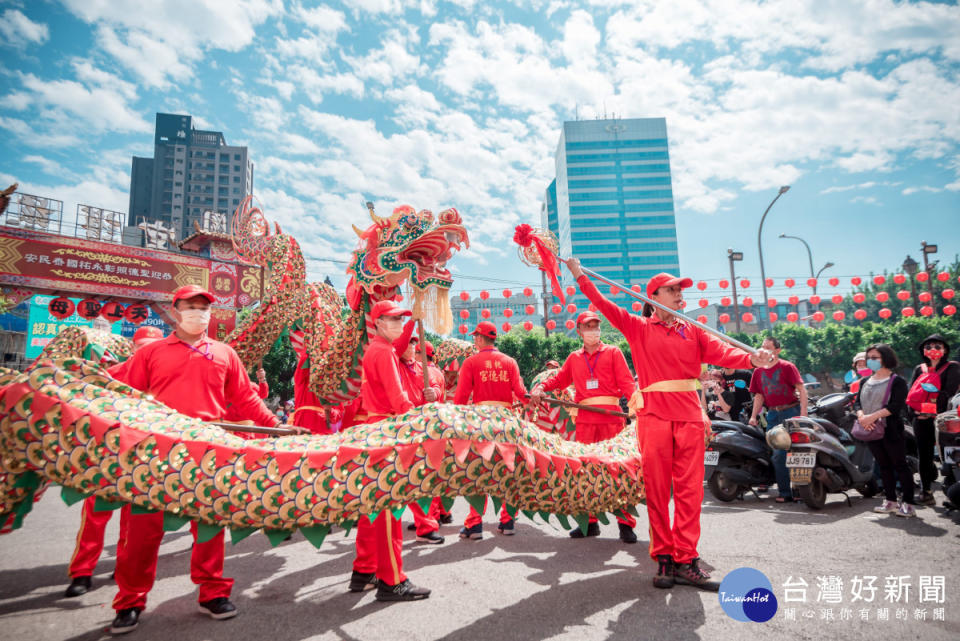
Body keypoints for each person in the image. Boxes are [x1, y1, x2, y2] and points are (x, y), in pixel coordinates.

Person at [566, 261, 774, 592]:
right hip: (654, 419)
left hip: (690, 416)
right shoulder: (637, 327)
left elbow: (722, 351)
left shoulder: (692, 330)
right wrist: (578, 273)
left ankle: (687, 559)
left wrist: (751, 359)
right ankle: (664, 558)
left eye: (680, 290)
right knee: (658, 491)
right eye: (672, 290)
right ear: (654, 296)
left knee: (690, 491)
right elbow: (603, 304)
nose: (680, 295)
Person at [107, 285, 280, 634]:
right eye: (191, 306)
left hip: (207, 451)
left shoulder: (224, 353)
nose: (198, 312)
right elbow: (122, 392)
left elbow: (246, 398)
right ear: (175, 311)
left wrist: (276, 425)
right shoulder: (151, 353)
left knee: (210, 527)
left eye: (204, 307)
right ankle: (130, 600)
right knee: (142, 530)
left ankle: (212, 592)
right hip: (155, 452)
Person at [63, 326, 165, 599]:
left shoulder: (163, 377)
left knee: (133, 521)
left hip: (143, 459)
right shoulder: (111, 375)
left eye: (151, 348)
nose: (145, 352)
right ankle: (82, 571)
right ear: (133, 348)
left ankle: (122, 566)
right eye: (141, 346)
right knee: (95, 516)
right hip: (106, 456)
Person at [530, 311, 639, 543]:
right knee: (585, 471)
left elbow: (627, 383)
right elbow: (559, 380)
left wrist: (638, 405)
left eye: (595, 326)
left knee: (619, 470)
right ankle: (589, 523)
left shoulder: (613, 352)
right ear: (579, 330)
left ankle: (626, 523)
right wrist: (540, 388)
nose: (593, 330)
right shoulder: (574, 358)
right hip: (586, 422)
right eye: (588, 326)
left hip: (611, 419)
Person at [349, 299, 430, 602]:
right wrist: (422, 420)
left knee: (373, 507)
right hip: (388, 432)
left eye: (401, 320)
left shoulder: (378, 349)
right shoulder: (383, 352)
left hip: (376, 431)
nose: (398, 324)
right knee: (390, 511)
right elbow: (398, 399)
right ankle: (392, 580)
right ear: (379, 323)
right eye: (393, 320)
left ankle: (364, 570)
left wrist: (416, 311)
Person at [454, 321, 528, 538]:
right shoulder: (510, 362)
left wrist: (456, 419)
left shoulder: (470, 362)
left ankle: (475, 524)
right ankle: (507, 522)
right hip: (506, 422)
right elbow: (521, 393)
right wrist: (531, 399)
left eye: (475, 337)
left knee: (479, 471)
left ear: (479, 338)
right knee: (507, 470)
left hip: (481, 423)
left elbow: (460, 398)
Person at [395, 329, 445, 544]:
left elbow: (437, 387)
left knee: (421, 477)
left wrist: (435, 393)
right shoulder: (394, 366)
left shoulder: (425, 370)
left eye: (414, 344)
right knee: (405, 479)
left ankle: (425, 524)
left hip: (423, 429)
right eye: (407, 343)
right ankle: (423, 523)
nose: (411, 347)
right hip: (401, 428)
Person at [855, 343, 915, 517]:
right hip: (870, 429)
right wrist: (862, 417)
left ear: (886, 358)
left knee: (900, 466)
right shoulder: (865, 381)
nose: (870, 361)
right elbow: (858, 402)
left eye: (875, 358)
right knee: (883, 466)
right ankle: (890, 501)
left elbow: (895, 406)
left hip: (891, 430)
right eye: (869, 358)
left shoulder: (897, 381)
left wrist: (870, 417)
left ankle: (909, 503)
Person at [748, 336, 808, 503]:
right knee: (778, 454)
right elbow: (759, 395)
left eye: (768, 347)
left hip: (792, 411)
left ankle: (801, 490)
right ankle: (785, 492)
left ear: (777, 350)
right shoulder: (758, 371)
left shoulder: (788, 367)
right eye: (762, 346)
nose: (764, 350)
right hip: (773, 415)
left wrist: (803, 412)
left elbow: (801, 389)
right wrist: (753, 416)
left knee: (797, 452)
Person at [908, 334, 960, 505]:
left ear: (945, 350)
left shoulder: (952, 367)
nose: (933, 350)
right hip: (920, 418)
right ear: (923, 350)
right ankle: (926, 491)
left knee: (950, 454)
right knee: (924, 455)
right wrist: (915, 413)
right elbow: (912, 393)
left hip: (945, 420)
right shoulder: (919, 369)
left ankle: (954, 491)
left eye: (938, 346)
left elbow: (949, 393)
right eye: (928, 346)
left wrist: (931, 411)